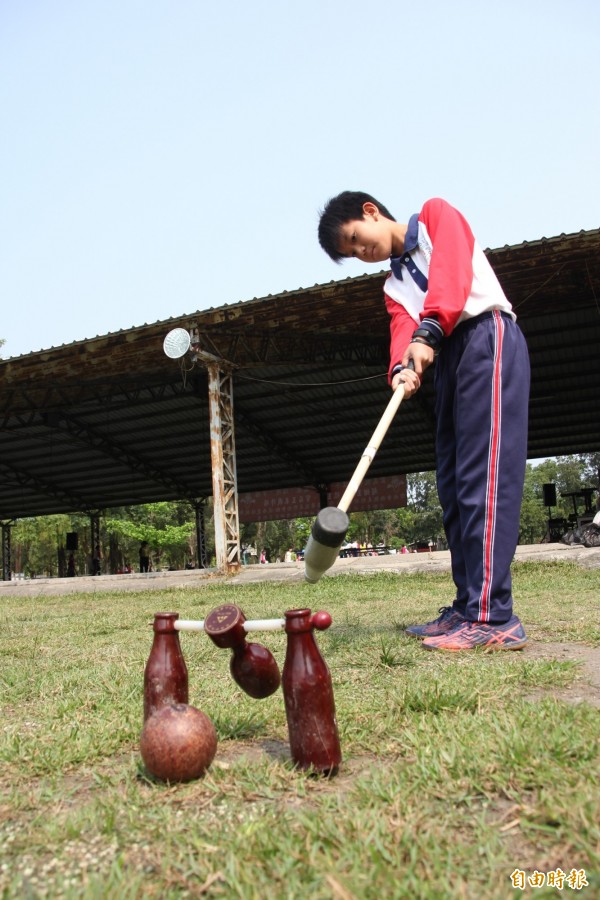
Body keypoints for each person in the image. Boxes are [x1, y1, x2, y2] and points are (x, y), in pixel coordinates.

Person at [318, 192, 530, 651]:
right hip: (450, 358)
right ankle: (466, 605)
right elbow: (402, 330)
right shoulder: (393, 287)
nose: (361, 252)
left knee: (484, 480)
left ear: (370, 211)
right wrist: (401, 369)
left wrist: (430, 327)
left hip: (484, 337)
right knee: (453, 486)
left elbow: (451, 273)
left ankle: (495, 616)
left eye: (356, 239)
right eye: (352, 254)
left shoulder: (434, 216)